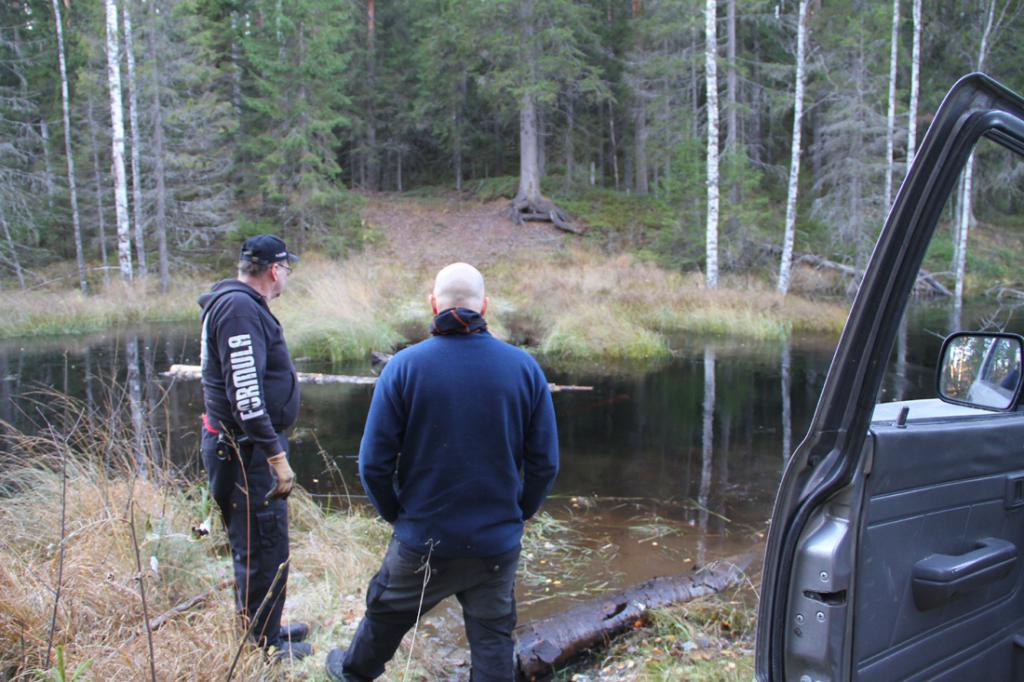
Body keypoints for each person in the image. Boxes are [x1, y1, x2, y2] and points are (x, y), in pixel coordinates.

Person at [325, 262, 560, 681]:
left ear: (433, 305)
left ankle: (352, 673)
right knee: (492, 639)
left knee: (386, 613)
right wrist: (519, 511)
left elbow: (373, 465)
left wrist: (396, 514)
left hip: (422, 538)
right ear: (484, 306)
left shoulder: (403, 368)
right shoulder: (524, 369)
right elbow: (545, 463)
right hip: (495, 541)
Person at [198, 234, 311, 661]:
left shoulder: (241, 305)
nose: (286, 276)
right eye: (287, 269)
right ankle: (260, 647)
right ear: (274, 270)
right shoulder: (239, 309)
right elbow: (245, 394)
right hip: (246, 454)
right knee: (260, 546)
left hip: (251, 450)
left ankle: (268, 627)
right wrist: (275, 455)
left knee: (269, 544)